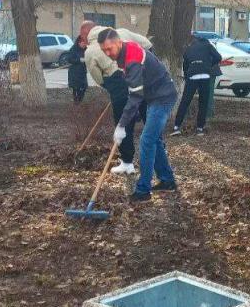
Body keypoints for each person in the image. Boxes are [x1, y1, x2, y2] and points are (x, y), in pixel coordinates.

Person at [98, 28, 178, 201]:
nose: (107, 53)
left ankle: (143, 190)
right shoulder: (124, 52)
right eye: (104, 50)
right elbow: (133, 83)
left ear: (119, 42)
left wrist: (121, 125)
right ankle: (167, 180)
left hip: (162, 97)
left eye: (109, 49)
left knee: (147, 140)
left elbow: (135, 96)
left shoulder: (132, 57)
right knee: (154, 139)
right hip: (154, 96)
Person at [85, 25, 151, 175]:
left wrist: (110, 87)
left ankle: (128, 163)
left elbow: (96, 75)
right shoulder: (122, 32)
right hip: (138, 74)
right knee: (148, 115)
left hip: (116, 80)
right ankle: (159, 152)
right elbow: (147, 44)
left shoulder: (90, 51)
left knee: (123, 122)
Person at [170, 35, 222, 136]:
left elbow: (185, 65)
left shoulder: (189, 48)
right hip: (205, 76)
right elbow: (218, 57)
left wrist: (187, 76)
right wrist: (209, 65)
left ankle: (176, 127)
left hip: (192, 76)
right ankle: (200, 129)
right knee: (203, 103)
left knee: (185, 101)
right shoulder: (208, 45)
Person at [67, 21, 93, 103]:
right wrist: (79, 60)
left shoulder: (86, 50)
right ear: (79, 42)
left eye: (85, 43)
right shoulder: (73, 49)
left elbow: (90, 58)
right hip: (74, 72)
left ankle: (80, 101)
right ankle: (76, 102)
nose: (84, 44)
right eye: (83, 43)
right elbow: (69, 59)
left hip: (82, 72)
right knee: (76, 88)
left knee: (84, 87)